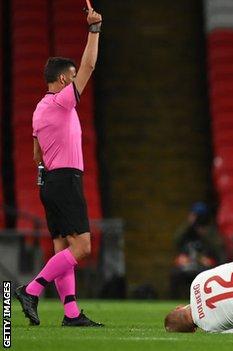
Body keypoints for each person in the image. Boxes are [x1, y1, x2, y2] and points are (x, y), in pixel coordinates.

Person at [14, 4, 103, 327]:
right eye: (71, 76)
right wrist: (94, 29)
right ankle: (31, 290)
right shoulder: (63, 101)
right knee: (82, 248)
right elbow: (90, 65)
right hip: (65, 180)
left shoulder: (39, 109)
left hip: (49, 181)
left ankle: (71, 313)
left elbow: (36, 155)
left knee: (63, 249)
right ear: (65, 78)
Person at [170, 201, 224, 298]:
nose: (199, 220)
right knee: (175, 273)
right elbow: (176, 241)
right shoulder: (187, 232)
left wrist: (205, 232)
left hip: (205, 267)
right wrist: (189, 223)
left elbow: (218, 253)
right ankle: (175, 300)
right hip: (189, 264)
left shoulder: (211, 233)